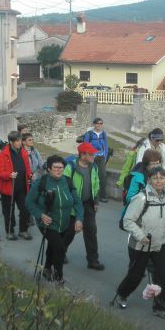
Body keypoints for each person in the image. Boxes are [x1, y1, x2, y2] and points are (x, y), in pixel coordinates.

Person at [112, 166, 165, 318]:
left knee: (161, 277)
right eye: (155, 178)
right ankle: (122, 294)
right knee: (136, 275)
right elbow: (128, 221)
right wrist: (140, 236)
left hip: (160, 243)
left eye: (161, 178)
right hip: (141, 244)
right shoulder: (141, 198)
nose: (159, 181)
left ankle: (160, 307)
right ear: (149, 180)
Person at [27, 155, 84, 285]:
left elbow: (77, 202)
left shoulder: (68, 181)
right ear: (48, 169)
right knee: (59, 248)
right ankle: (59, 277)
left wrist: (79, 219)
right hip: (47, 223)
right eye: (55, 168)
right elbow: (29, 202)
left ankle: (47, 268)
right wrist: (40, 214)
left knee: (54, 245)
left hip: (64, 221)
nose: (59, 170)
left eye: (61, 168)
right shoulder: (40, 183)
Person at [64, 142, 105, 270]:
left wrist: (96, 201)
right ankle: (60, 252)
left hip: (88, 204)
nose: (94, 156)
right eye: (91, 154)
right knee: (70, 231)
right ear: (82, 155)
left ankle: (93, 260)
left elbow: (96, 184)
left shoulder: (94, 167)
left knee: (91, 232)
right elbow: (65, 187)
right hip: (73, 205)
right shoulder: (70, 167)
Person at [0, 130, 32, 240]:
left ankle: (23, 230)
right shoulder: (3, 154)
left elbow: (27, 167)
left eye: (20, 140)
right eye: (17, 141)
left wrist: (29, 174)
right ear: (11, 142)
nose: (20, 142)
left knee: (25, 209)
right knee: (8, 211)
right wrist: (8, 175)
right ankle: (10, 231)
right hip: (8, 188)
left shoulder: (24, 152)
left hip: (22, 187)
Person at [82, 117, 109, 201]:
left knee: (103, 176)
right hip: (91, 158)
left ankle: (102, 196)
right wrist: (87, 157)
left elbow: (106, 146)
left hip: (101, 158)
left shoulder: (103, 134)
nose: (99, 125)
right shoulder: (89, 134)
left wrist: (105, 157)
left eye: (101, 123)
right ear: (94, 124)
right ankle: (88, 194)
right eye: (97, 123)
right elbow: (85, 146)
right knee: (90, 176)